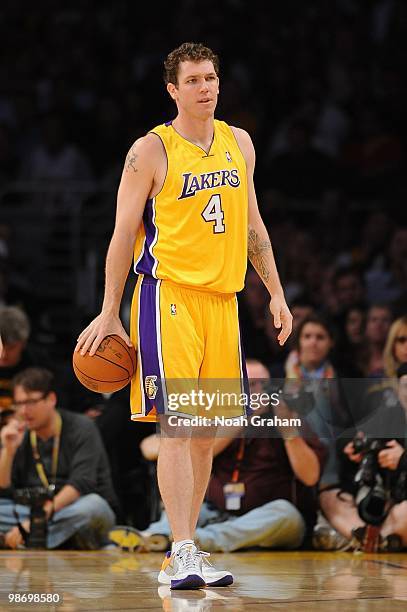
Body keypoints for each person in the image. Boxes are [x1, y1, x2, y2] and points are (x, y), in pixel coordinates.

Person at [75, 42, 292, 590]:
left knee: (203, 433)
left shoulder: (238, 142)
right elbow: (123, 234)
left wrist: (277, 294)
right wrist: (109, 311)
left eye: (212, 77)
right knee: (179, 427)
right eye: (193, 80)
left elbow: (253, 226)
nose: (206, 88)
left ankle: (185, 552)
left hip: (224, 302)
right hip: (166, 298)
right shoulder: (150, 150)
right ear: (173, 90)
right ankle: (181, 548)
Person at [128, 358, 325, 553]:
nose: (254, 393)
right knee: (187, 504)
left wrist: (288, 430)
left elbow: (310, 476)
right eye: (247, 385)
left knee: (286, 514)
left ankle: (198, 539)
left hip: (266, 518)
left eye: (261, 385)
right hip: (217, 511)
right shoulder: (216, 416)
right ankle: (151, 536)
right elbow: (150, 447)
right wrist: (240, 419)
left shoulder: (287, 416)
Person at [0, 367, 118, 550]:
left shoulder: (82, 427)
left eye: (31, 402)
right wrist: (8, 451)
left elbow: (81, 484)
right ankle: (59, 539)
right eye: (19, 403)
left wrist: (35, 523)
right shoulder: (20, 434)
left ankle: (26, 539)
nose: (24, 410)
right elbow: (4, 489)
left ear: (51, 399)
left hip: (75, 507)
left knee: (92, 507)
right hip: (34, 512)